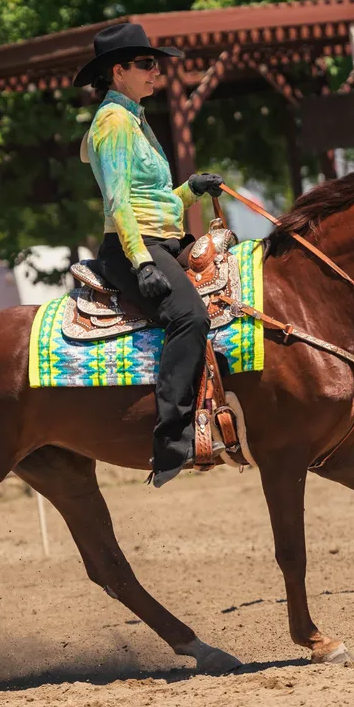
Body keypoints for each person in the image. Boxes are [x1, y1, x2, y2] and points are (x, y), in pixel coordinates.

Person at [73, 24, 225, 487]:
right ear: (118, 71)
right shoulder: (114, 122)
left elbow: (154, 198)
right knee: (190, 318)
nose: (155, 70)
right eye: (146, 64)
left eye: (155, 63)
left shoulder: (135, 117)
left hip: (161, 240)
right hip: (131, 246)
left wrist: (190, 191)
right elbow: (119, 202)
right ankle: (171, 438)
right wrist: (140, 262)